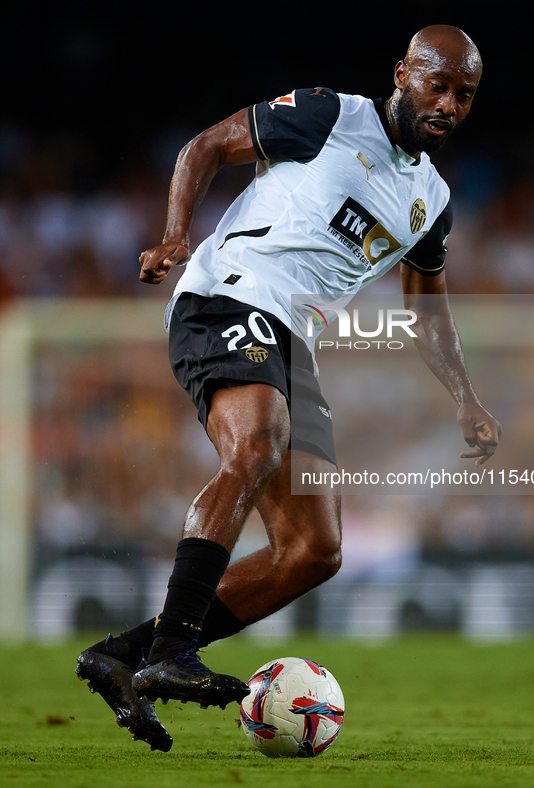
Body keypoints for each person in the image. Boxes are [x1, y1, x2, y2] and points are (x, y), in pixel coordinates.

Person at [76, 24, 501, 752]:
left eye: (463, 94)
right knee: (259, 445)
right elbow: (205, 144)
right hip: (229, 297)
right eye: (436, 84)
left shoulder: (429, 198)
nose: (448, 103)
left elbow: (425, 308)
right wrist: (177, 236)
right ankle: (174, 651)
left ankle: (123, 655)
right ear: (402, 73)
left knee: (313, 549)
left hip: (289, 340)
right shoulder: (329, 114)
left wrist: (464, 396)